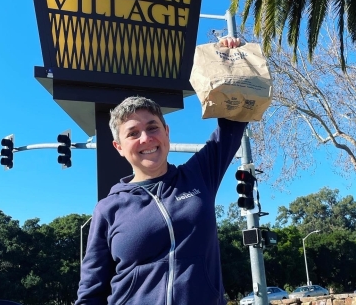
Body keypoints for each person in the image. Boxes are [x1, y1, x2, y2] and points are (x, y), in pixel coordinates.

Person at [75, 37, 247, 305]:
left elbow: (232, 124)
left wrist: (231, 63)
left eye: (153, 127)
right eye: (133, 133)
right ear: (118, 147)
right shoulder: (108, 209)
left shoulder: (198, 175)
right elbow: (90, 293)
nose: (146, 138)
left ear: (166, 133)